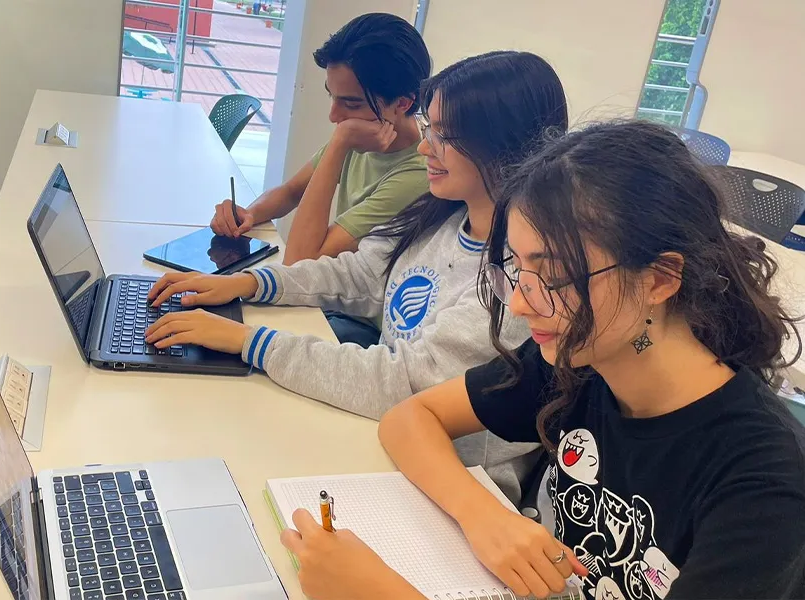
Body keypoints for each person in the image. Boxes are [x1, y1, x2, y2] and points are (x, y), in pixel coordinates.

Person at [278, 121, 805, 600]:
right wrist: (484, 517)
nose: (522, 301)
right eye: (517, 268)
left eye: (552, 276)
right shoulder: (575, 363)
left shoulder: (763, 479)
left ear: (660, 279)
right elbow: (410, 418)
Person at [146, 51, 570, 500]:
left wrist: (247, 340)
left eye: (446, 136)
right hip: (384, 438)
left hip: (454, 484)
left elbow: (402, 382)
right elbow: (358, 275)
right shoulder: (442, 217)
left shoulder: (520, 280)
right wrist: (249, 285)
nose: (425, 147)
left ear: (506, 145)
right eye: (430, 129)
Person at [211, 13, 432, 267]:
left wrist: (340, 142)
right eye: (333, 97)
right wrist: (248, 214)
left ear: (403, 103)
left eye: (351, 103)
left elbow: (302, 260)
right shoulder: (360, 134)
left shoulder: (417, 174)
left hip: (352, 305)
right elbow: (291, 192)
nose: (334, 116)